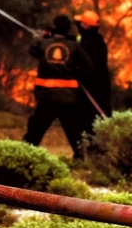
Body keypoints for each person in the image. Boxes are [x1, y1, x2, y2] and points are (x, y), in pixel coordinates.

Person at [23, 15, 94, 157]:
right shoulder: (74, 46)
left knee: (35, 130)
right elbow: (89, 66)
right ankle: (80, 158)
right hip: (67, 98)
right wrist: (74, 71)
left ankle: (24, 156)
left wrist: (39, 38)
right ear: (68, 29)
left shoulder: (44, 44)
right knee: (74, 131)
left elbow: (33, 51)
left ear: (54, 27)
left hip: (46, 97)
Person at [76, 10, 111, 121]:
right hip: (99, 86)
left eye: (81, 23)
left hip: (91, 88)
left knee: (93, 118)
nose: (78, 25)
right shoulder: (96, 40)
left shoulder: (91, 43)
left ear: (86, 26)